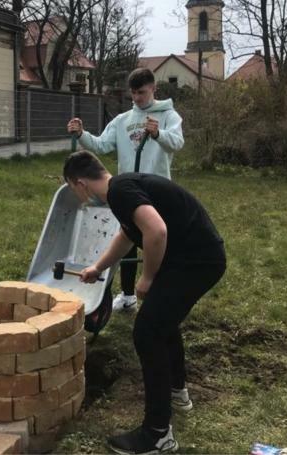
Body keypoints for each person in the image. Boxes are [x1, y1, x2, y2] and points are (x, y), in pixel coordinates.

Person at [63, 151, 225, 454]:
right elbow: (128, 234)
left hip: (196, 261)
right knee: (162, 323)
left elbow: (156, 230)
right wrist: (98, 267)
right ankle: (178, 392)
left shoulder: (121, 191)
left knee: (147, 333)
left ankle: (158, 433)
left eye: (75, 191)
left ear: (80, 183)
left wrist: (148, 278)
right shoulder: (122, 190)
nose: (80, 198)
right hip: (197, 257)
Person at [67, 68, 184, 313]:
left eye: (141, 92)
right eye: (133, 93)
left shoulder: (168, 116)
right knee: (128, 238)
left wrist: (159, 134)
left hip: (157, 190)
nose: (137, 98)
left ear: (153, 89)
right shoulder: (122, 121)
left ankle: (157, 292)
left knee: (159, 241)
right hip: (129, 191)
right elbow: (102, 145)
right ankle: (128, 295)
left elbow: (177, 142)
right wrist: (82, 135)